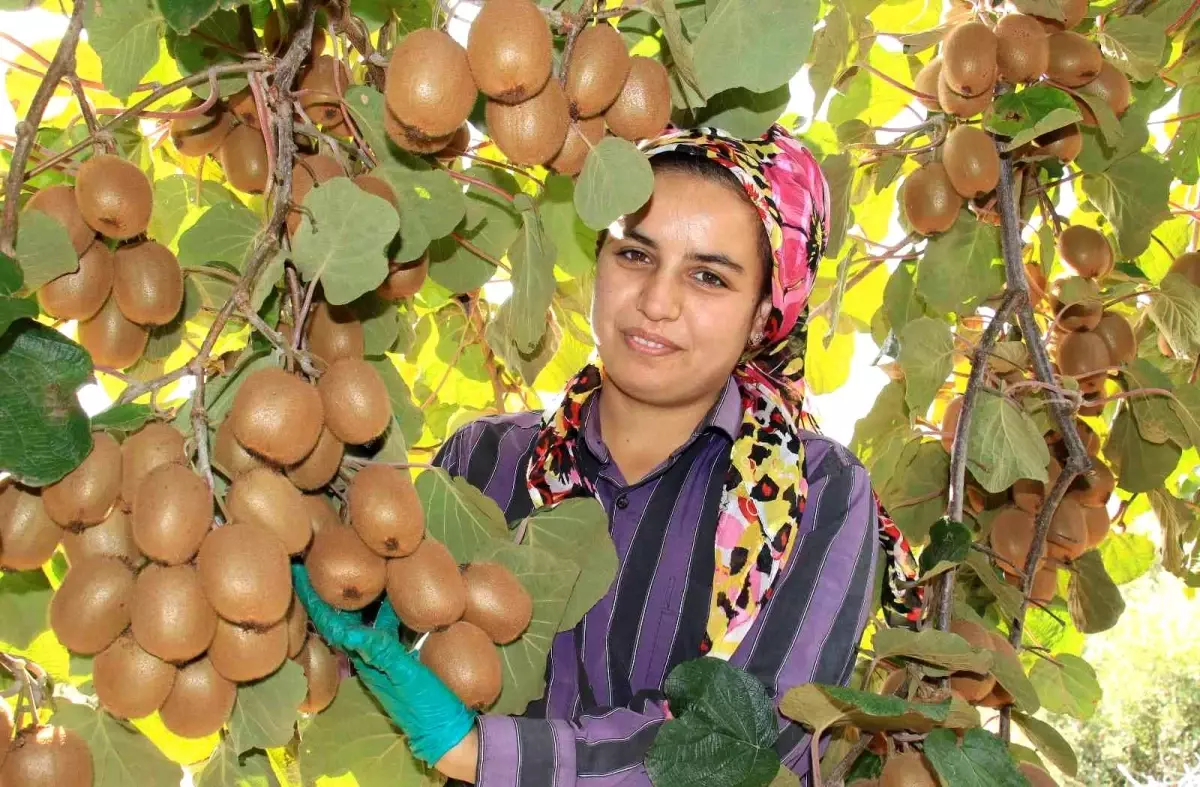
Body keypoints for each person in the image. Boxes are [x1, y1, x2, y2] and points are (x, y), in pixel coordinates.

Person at [292, 123, 923, 786]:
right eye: (634, 254)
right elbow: (392, 651)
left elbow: (749, 742)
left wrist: (474, 751)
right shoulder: (482, 463)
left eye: (708, 276)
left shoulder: (818, 491)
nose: (655, 302)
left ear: (765, 312)